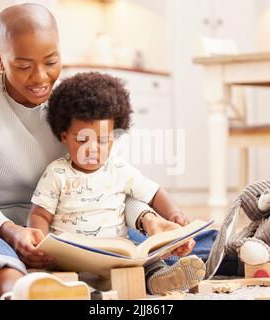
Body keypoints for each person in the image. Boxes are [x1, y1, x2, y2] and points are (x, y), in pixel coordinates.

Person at [0, 3, 185, 300]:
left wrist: (149, 219)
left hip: (55, 239)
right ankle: (21, 289)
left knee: (160, 237)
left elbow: (107, 182)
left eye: (51, 61)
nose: (40, 78)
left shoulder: (68, 103)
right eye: (24, 66)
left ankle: (229, 253)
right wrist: (13, 232)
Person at [28, 72, 206, 294]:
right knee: (51, 277)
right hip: (70, 259)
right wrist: (40, 243)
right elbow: (40, 215)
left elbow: (155, 193)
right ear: (64, 135)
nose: (92, 149)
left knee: (144, 259)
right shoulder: (57, 173)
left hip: (116, 257)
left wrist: (174, 215)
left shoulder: (120, 170)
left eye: (103, 140)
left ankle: (159, 278)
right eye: (82, 139)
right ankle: (76, 291)